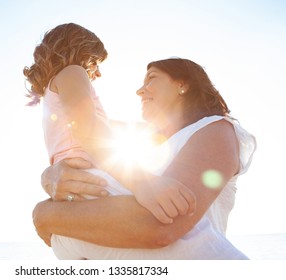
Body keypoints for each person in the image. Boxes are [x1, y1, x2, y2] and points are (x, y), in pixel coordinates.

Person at [32, 57, 257, 259]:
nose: (140, 91)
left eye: (151, 78)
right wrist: (51, 174)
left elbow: (159, 226)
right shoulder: (147, 142)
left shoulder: (214, 129)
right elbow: (85, 131)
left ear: (182, 84)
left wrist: (44, 214)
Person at [24, 23, 198, 258]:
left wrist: (156, 131)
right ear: (80, 52)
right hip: (94, 182)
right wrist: (142, 182)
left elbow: (104, 125)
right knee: (188, 235)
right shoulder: (73, 72)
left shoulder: (53, 93)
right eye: (95, 62)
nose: (98, 73)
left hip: (74, 195)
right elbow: (89, 129)